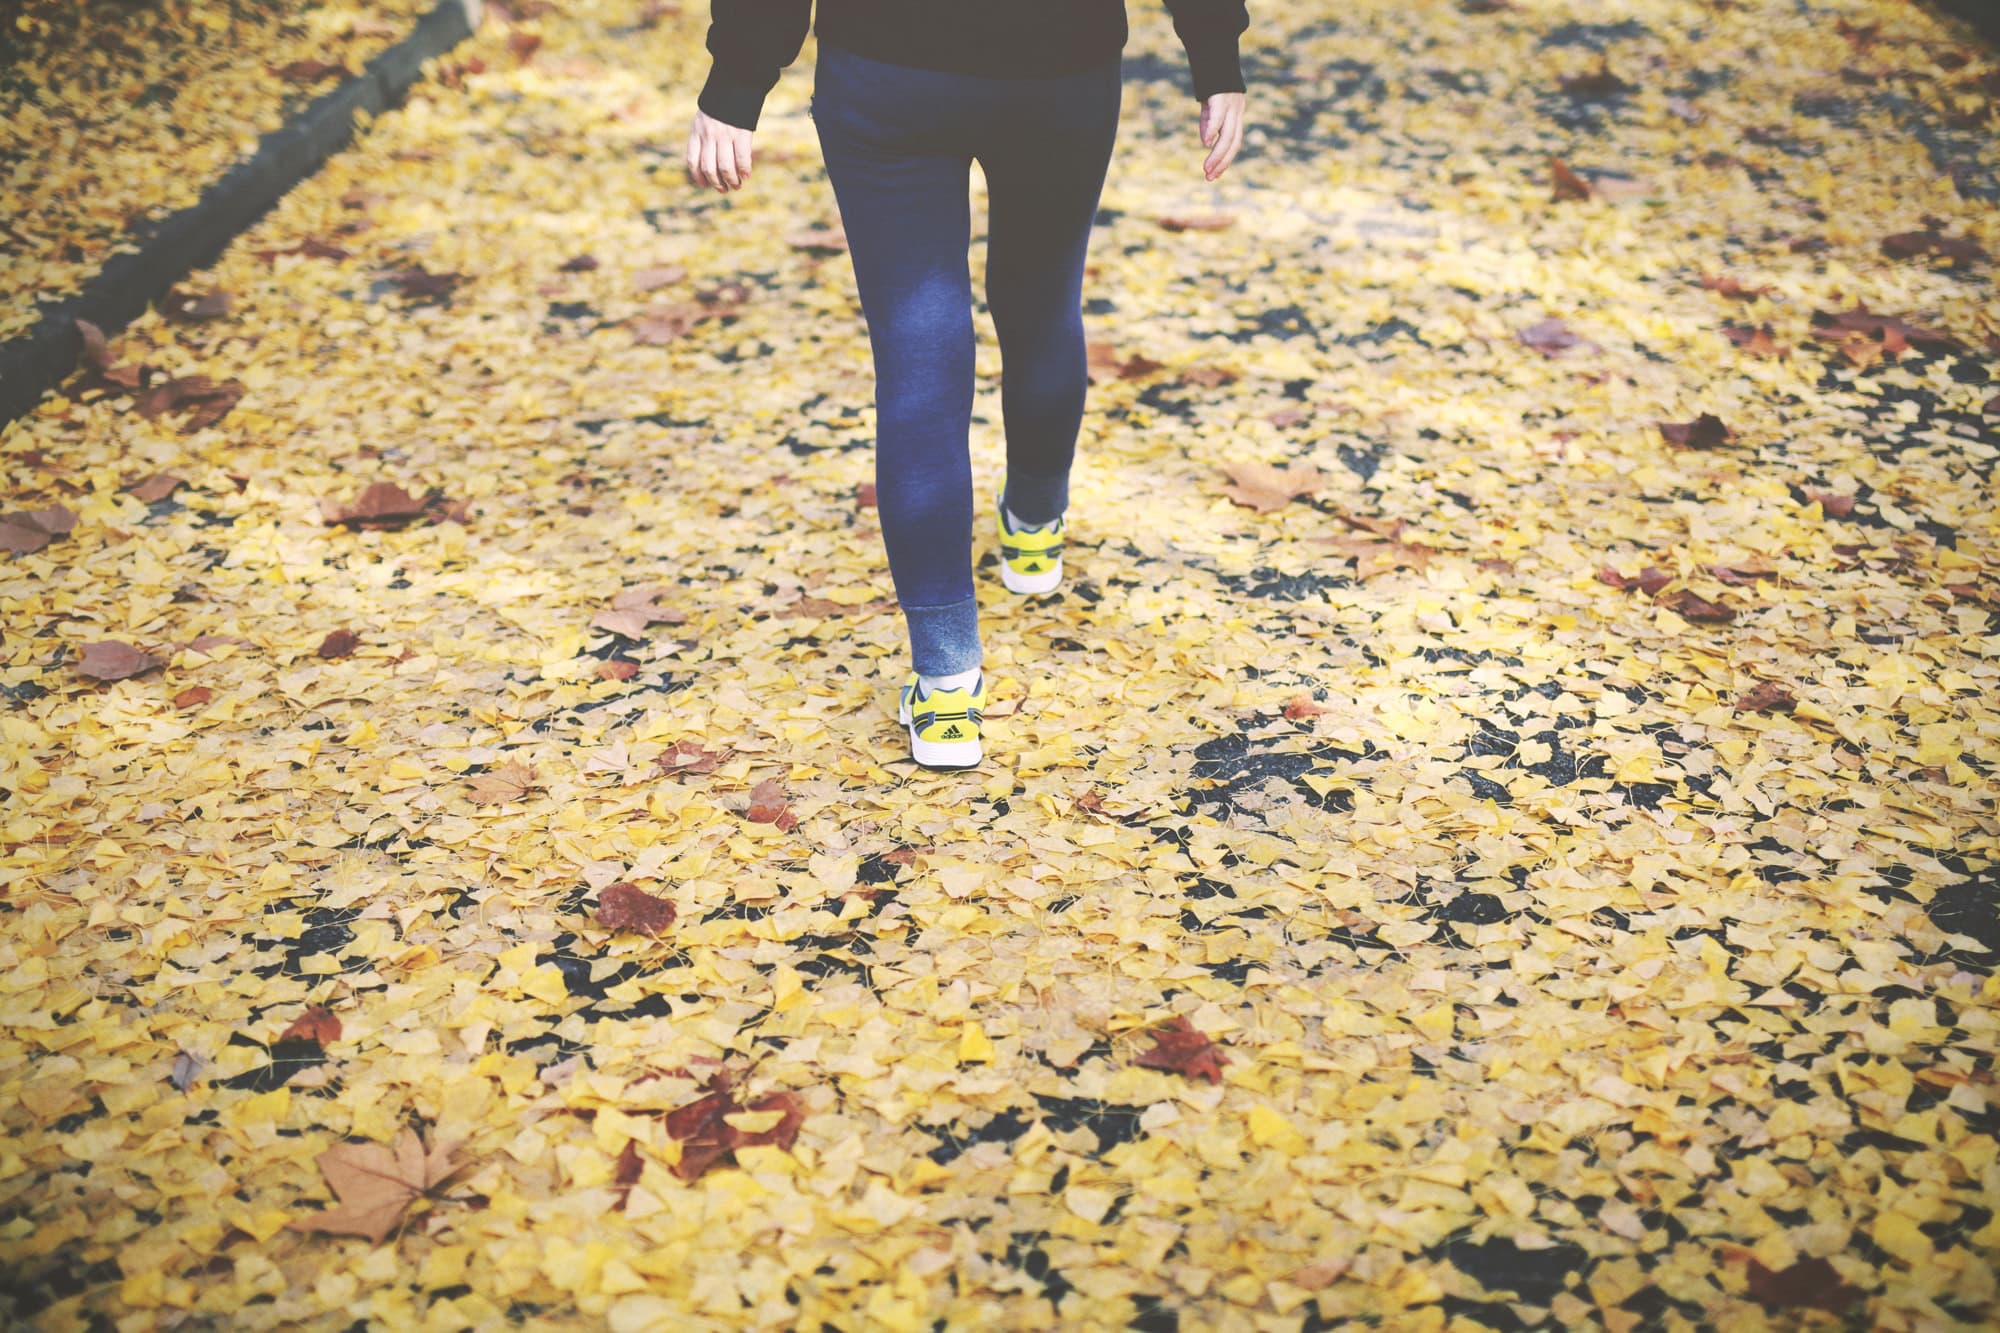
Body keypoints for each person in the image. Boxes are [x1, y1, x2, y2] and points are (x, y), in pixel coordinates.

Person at [688, 1, 1249, 769]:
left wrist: (738, 78)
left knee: (918, 355)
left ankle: (947, 686)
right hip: (1061, 67)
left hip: (886, 68)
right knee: (1041, 302)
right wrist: (1215, 58)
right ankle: (1034, 525)